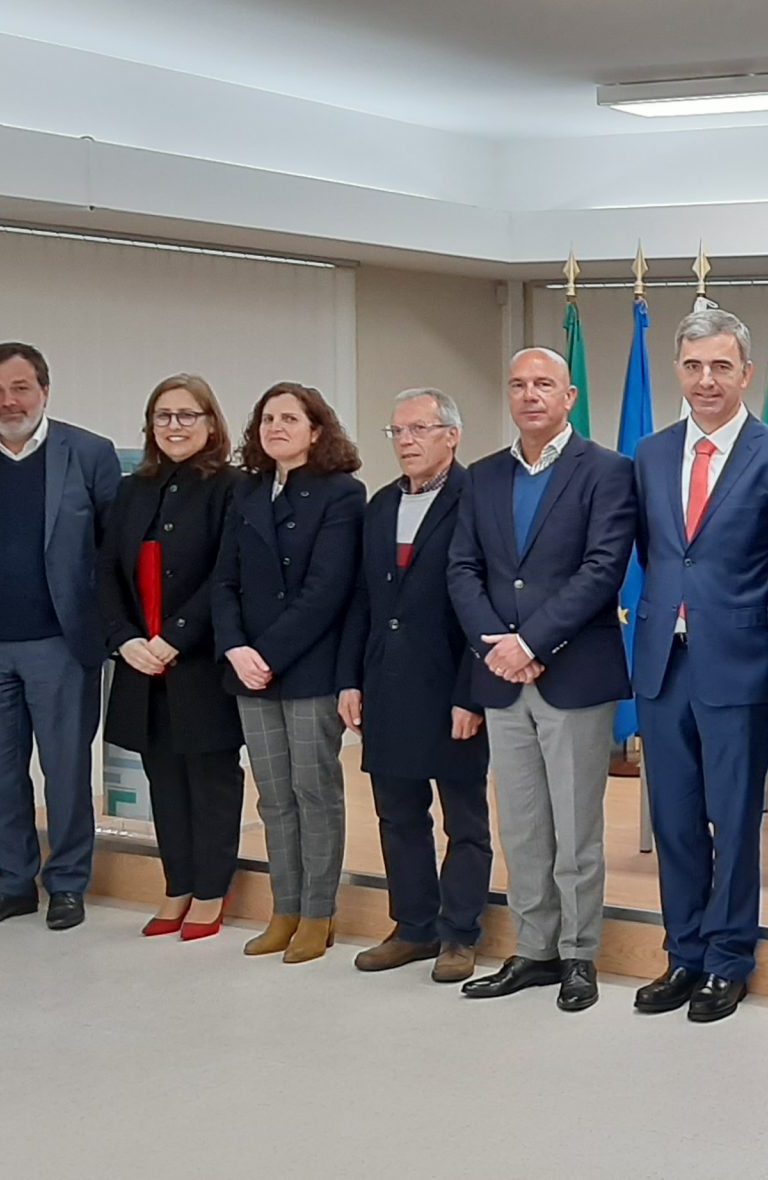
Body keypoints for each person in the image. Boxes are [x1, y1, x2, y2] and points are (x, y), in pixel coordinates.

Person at [628, 307, 768, 1024]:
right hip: (662, 663)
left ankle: (729, 959)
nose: (706, 380)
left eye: (721, 367)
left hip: (738, 666)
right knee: (673, 818)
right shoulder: (648, 454)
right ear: (678, 371)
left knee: (732, 820)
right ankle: (684, 952)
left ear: (747, 373)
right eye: (694, 366)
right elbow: (656, 553)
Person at [449, 347, 638, 1013]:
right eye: (519, 385)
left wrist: (532, 641)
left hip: (573, 674)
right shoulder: (482, 476)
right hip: (503, 679)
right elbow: (462, 570)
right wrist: (498, 650)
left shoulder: (609, 472)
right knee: (522, 825)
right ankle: (532, 949)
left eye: (544, 385)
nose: (530, 395)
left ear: (570, 395)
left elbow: (602, 568)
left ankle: (578, 953)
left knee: (577, 826)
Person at [0, 342, 122, 932]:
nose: (7, 400)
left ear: (44, 390)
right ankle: (13, 884)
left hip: (61, 643)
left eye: (20, 387)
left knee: (66, 770)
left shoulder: (88, 453)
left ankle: (67, 884)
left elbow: (112, 549)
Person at [338, 388, 490, 983]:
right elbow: (362, 602)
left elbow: (486, 604)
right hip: (387, 684)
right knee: (398, 816)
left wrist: (471, 693)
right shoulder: (379, 506)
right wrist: (349, 678)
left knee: (465, 822)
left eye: (420, 429)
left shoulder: (476, 500)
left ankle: (460, 933)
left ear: (451, 436)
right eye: (397, 431)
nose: (406, 441)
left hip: (451, 685)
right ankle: (413, 927)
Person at [214, 382, 365, 965]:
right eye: (268, 418)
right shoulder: (246, 491)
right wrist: (235, 649)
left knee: (314, 791)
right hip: (248, 670)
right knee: (273, 797)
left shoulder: (342, 494)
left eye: (290, 418)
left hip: (308, 669)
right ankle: (286, 908)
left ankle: (318, 913)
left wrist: (268, 655)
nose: (276, 427)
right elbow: (223, 581)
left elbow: (327, 592)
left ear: (317, 430)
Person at [99, 375, 246, 942]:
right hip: (141, 661)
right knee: (163, 777)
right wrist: (124, 638)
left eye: (188, 415)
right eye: (163, 416)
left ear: (211, 424)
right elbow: (108, 569)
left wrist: (177, 636)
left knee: (209, 779)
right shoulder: (134, 489)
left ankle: (211, 890)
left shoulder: (233, 486)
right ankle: (176, 884)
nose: (175, 426)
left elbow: (225, 574)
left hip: (200, 659)